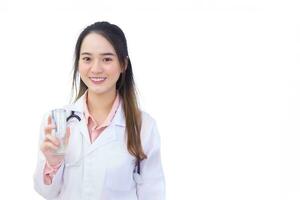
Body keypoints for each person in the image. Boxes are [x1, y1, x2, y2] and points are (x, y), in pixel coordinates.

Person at [33, 21, 166, 200]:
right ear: (78, 63)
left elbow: (153, 194)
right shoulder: (58, 122)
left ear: (123, 64)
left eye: (107, 59)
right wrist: (52, 163)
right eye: (87, 59)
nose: (96, 69)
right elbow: (47, 192)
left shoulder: (143, 126)